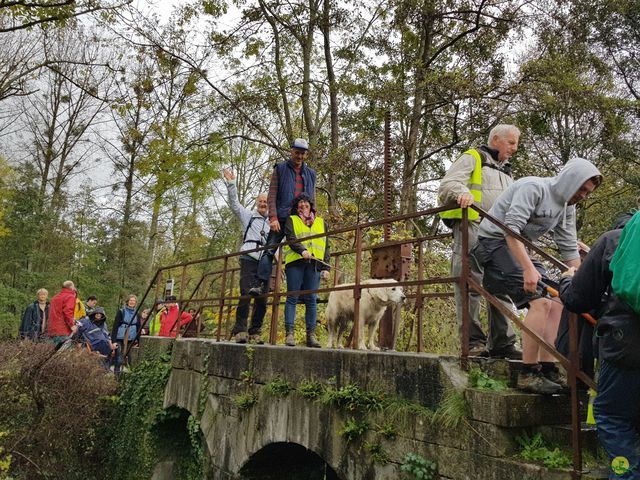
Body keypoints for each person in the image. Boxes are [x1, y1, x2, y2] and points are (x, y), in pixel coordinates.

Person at [472, 157, 602, 394]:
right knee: (540, 301)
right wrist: (528, 268)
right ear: (569, 179)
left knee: (559, 300)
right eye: (581, 189)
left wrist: (577, 282)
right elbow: (511, 229)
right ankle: (528, 372)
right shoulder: (534, 187)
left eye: (588, 192)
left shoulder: (567, 207)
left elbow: (569, 248)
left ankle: (548, 367)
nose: (583, 195)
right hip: (493, 242)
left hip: (519, 247)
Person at [560, 210, 640, 479]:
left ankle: (624, 473)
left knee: (611, 417)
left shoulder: (613, 241)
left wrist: (566, 279)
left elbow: (578, 300)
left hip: (627, 349)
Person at [438, 124, 521, 358]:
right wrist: (462, 193)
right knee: (469, 283)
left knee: (501, 282)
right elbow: (448, 184)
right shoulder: (473, 157)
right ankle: (473, 342)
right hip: (472, 227)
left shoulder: (507, 171)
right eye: (511, 142)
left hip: (498, 234)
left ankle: (503, 342)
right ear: (496, 139)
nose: (515, 148)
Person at [250, 138, 317, 296]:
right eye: (297, 152)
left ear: (306, 154)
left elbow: (312, 198)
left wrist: (312, 215)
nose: (299, 156)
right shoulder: (280, 169)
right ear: (291, 151)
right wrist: (272, 217)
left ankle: (306, 290)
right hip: (280, 217)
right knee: (269, 249)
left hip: (300, 219)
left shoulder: (310, 174)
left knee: (305, 250)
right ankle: (260, 284)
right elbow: (272, 195)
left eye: (302, 153)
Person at [223, 168, 270, 344]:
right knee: (245, 293)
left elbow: (278, 243)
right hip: (249, 257)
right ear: (257, 203)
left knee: (263, 298)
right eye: (260, 201)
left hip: (265, 261)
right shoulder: (249, 216)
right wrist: (231, 184)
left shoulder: (272, 222)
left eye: (266, 201)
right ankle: (240, 330)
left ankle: (255, 331)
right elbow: (234, 204)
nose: (263, 204)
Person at [282, 193, 330, 348]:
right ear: (297, 208)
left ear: (311, 206)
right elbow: (291, 238)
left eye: (306, 203)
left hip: (314, 265)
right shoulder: (292, 220)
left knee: (311, 299)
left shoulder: (322, 223)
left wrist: (326, 267)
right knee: (292, 297)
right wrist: (302, 250)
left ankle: (311, 336)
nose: (303, 206)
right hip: (295, 263)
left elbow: (326, 246)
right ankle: (289, 334)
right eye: (300, 204)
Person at [111, 294, 140, 375]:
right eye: (130, 300)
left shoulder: (137, 313)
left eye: (133, 301)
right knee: (119, 359)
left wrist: (139, 341)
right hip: (120, 338)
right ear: (127, 302)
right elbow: (115, 326)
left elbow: (138, 328)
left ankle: (130, 378)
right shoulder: (121, 312)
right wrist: (113, 341)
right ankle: (116, 377)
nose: (132, 302)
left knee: (131, 359)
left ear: (136, 303)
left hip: (131, 339)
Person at [47, 280, 78, 346]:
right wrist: (72, 325)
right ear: (71, 287)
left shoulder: (55, 297)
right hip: (63, 330)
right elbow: (67, 312)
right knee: (64, 354)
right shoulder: (70, 297)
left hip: (52, 330)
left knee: (51, 354)